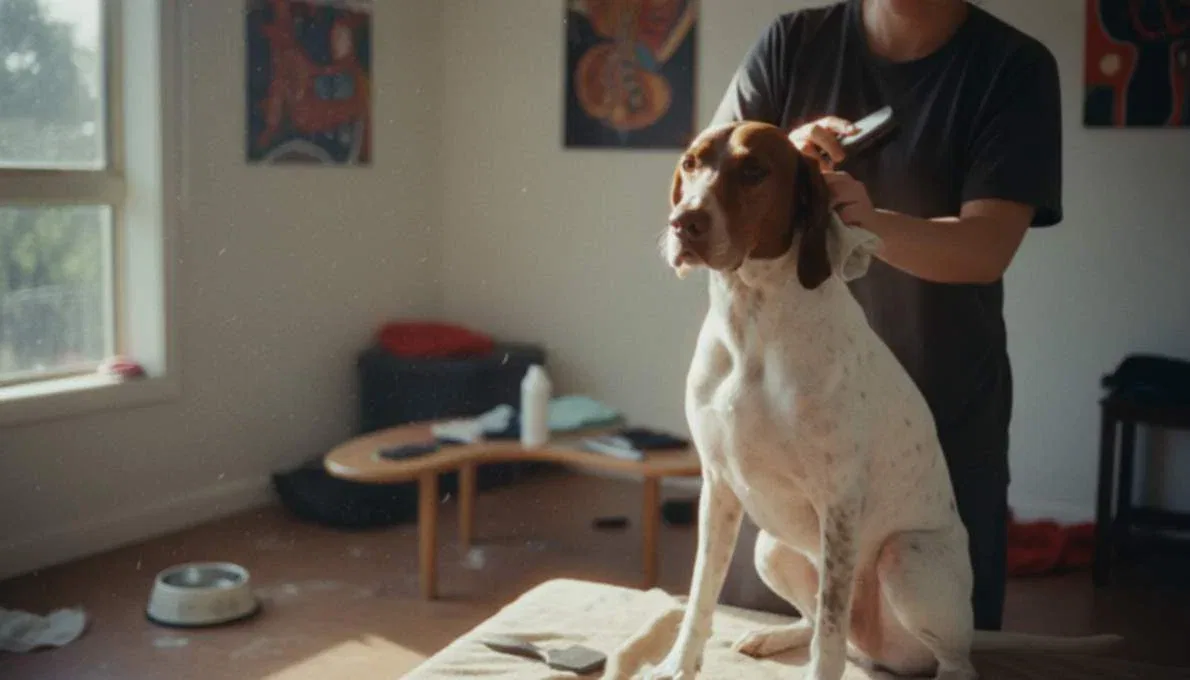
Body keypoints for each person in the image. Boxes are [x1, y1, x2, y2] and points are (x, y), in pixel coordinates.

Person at [710, 0, 1063, 631]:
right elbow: (704, 191)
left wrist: (866, 225)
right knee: (769, 640)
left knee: (930, 646)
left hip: (932, 428)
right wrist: (783, 162)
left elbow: (985, 249)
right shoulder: (792, 42)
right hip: (781, 426)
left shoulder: (1014, 68)